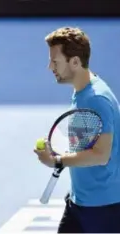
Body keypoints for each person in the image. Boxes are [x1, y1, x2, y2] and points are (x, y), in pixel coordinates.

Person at [34, 27, 120, 233]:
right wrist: (58, 151)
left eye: (55, 62)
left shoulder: (95, 99)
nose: (49, 67)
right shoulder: (82, 91)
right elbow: (87, 142)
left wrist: (57, 160)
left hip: (103, 208)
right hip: (79, 201)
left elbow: (101, 155)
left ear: (75, 62)